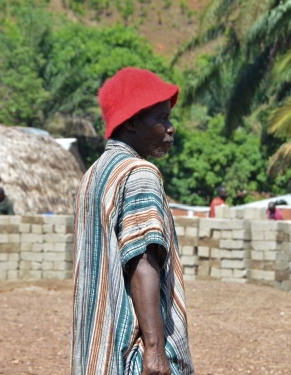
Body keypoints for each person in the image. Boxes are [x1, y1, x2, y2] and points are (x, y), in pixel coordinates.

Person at [71, 67, 194, 375]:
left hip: (96, 353)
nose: (171, 128)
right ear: (133, 121)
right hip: (132, 356)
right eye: (162, 118)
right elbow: (141, 261)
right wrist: (154, 351)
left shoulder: (94, 175)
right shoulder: (139, 173)